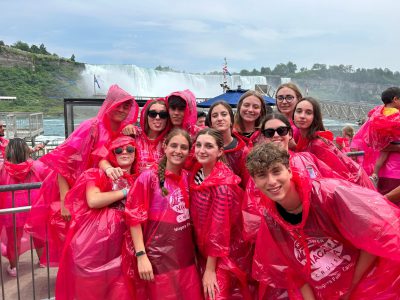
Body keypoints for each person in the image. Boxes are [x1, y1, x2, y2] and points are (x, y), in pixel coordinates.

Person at [246, 143, 400, 299]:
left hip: (367, 282)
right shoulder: (272, 219)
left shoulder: (329, 195)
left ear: (289, 171)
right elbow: (294, 272)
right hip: (328, 290)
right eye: (262, 175)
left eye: (276, 171)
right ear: (254, 181)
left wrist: (348, 290)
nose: (271, 181)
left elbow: (375, 236)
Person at [27, 84, 139, 264]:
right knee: (75, 246)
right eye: (119, 104)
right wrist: (65, 200)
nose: (123, 109)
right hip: (75, 193)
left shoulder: (121, 131)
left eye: (127, 106)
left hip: (96, 193)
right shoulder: (91, 127)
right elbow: (63, 162)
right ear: (110, 103)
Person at [55, 136, 137, 300]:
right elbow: (94, 200)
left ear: (136, 153)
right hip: (94, 245)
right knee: (92, 290)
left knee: (121, 291)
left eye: (129, 149)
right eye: (119, 150)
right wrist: (126, 192)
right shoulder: (96, 174)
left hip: (124, 245)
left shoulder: (140, 177)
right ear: (112, 154)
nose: (124, 153)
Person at [124, 128, 203, 299]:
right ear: (165, 147)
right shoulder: (148, 178)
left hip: (185, 257)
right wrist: (141, 255)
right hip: (157, 259)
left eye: (183, 147)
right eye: (174, 145)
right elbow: (134, 218)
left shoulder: (189, 177)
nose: (178, 151)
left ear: (189, 152)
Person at [190, 128, 252, 300]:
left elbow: (219, 231)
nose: (202, 150)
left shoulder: (222, 185)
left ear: (220, 151)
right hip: (205, 250)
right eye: (199, 145)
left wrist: (210, 270)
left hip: (223, 255)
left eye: (208, 146)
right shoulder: (197, 173)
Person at [294, 97, 374, 189]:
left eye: (308, 113)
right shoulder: (306, 140)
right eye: (299, 111)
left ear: (315, 117)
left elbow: (340, 178)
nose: (302, 116)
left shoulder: (318, 144)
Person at [0, 138, 49, 276]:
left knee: (13, 240)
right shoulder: (37, 166)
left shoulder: (3, 169)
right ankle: (42, 261)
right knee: (39, 236)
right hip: (35, 207)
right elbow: (50, 178)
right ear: (26, 150)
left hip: (11, 210)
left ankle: (13, 267)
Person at [103, 98, 169, 176]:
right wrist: (109, 168)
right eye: (152, 114)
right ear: (146, 116)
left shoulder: (171, 141)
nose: (157, 118)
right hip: (131, 186)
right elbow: (103, 156)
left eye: (163, 115)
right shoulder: (133, 134)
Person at [206, 100, 250, 187]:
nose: (219, 119)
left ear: (231, 121)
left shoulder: (243, 152)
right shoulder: (203, 149)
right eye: (215, 116)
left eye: (224, 114)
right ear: (211, 123)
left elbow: (248, 184)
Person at [367, 87, 400, 194]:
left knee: (382, 156)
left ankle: (374, 175)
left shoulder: (380, 111)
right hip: (394, 140)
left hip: (383, 140)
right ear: (395, 99)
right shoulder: (396, 112)